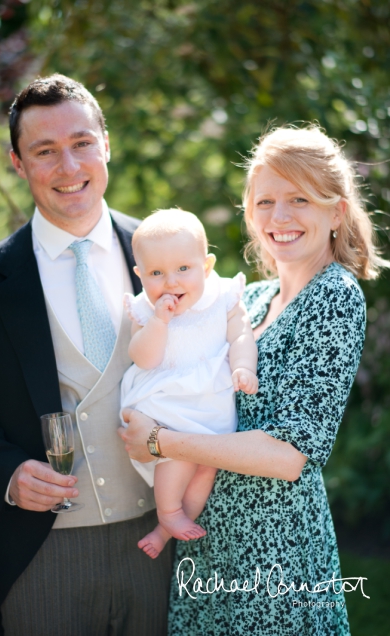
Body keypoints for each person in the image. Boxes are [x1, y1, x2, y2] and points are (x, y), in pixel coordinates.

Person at [119, 125, 387, 635]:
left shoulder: (334, 297)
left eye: (299, 200)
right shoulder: (253, 300)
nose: (279, 218)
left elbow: (289, 456)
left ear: (335, 212)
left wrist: (160, 440)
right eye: (265, 201)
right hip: (210, 544)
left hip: (274, 553)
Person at [0, 74, 172, 635]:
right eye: (45, 151)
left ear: (106, 144)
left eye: (82, 143)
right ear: (17, 162)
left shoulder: (164, 258)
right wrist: (6, 472)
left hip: (163, 540)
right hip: (41, 554)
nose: (69, 166)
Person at [120, 208, 258, 560]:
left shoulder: (224, 296)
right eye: (156, 273)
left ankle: (169, 529)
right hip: (166, 403)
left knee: (207, 463)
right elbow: (144, 357)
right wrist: (159, 323)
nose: (171, 282)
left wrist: (243, 367)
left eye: (183, 268)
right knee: (176, 457)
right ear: (140, 276)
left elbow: (241, 334)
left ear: (207, 266)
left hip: (210, 402)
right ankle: (167, 514)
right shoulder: (144, 310)